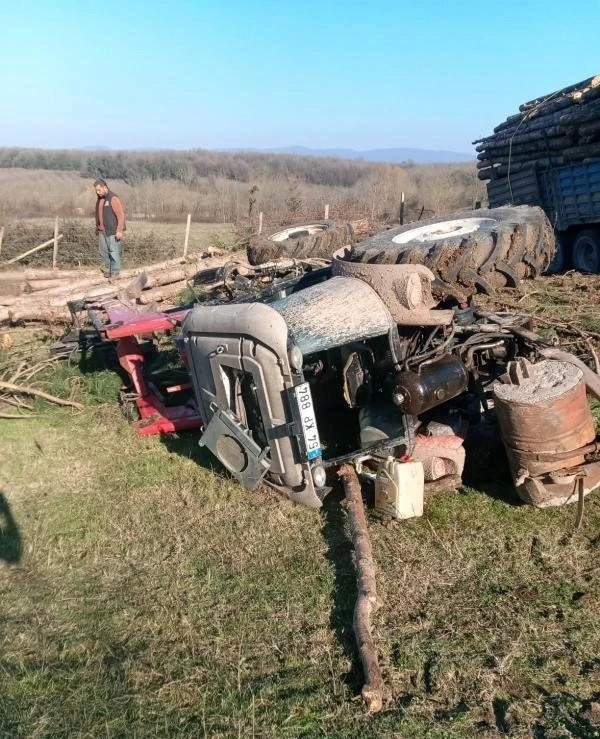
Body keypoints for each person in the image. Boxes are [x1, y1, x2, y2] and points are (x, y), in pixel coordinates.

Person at [93, 178, 126, 278]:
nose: (97, 193)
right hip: (102, 231)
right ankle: (108, 270)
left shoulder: (113, 198)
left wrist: (119, 230)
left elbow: (120, 215)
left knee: (113, 251)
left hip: (113, 231)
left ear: (105, 187)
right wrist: (98, 227)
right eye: (96, 191)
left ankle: (115, 272)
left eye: (99, 190)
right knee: (103, 252)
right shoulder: (100, 199)